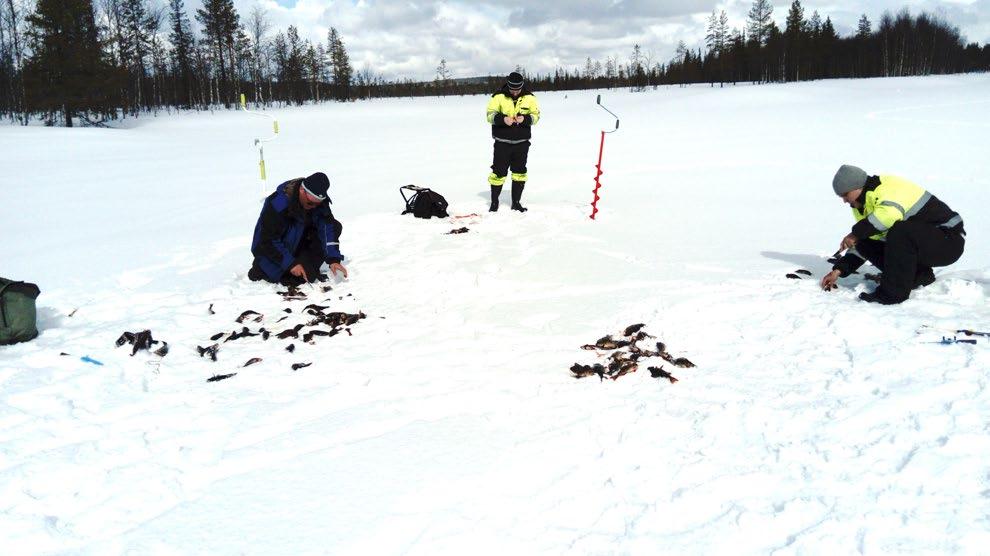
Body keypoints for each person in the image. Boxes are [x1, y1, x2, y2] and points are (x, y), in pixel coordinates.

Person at [821, 164, 965, 304]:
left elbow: (888, 216)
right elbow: (869, 237)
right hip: (923, 243)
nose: (844, 201)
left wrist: (855, 233)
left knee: (900, 230)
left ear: (857, 187)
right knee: (864, 241)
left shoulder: (886, 188)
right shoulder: (862, 204)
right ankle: (919, 275)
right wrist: (839, 270)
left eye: (845, 195)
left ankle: (892, 295)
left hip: (948, 241)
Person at [248, 172, 348, 286]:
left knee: (334, 226)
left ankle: (299, 266)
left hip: (298, 244)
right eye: (310, 203)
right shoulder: (278, 204)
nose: (313, 207)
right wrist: (291, 264)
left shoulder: (317, 202)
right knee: (272, 274)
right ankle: (269, 268)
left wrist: (333, 259)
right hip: (272, 249)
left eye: (317, 204)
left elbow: (327, 228)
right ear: (302, 190)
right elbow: (267, 240)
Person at [485, 71, 541, 212]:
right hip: (502, 143)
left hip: (522, 143)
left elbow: (536, 116)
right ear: (508, 86)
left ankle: (516, 203)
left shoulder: (530, 98)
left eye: (517, 89)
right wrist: (502, 119)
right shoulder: (498, 97)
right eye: (512, 89)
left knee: (519, 173)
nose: (515, 92)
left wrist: (525, 119)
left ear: (522, 86)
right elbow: (489, 115)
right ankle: (494, 202)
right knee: (498, 173)